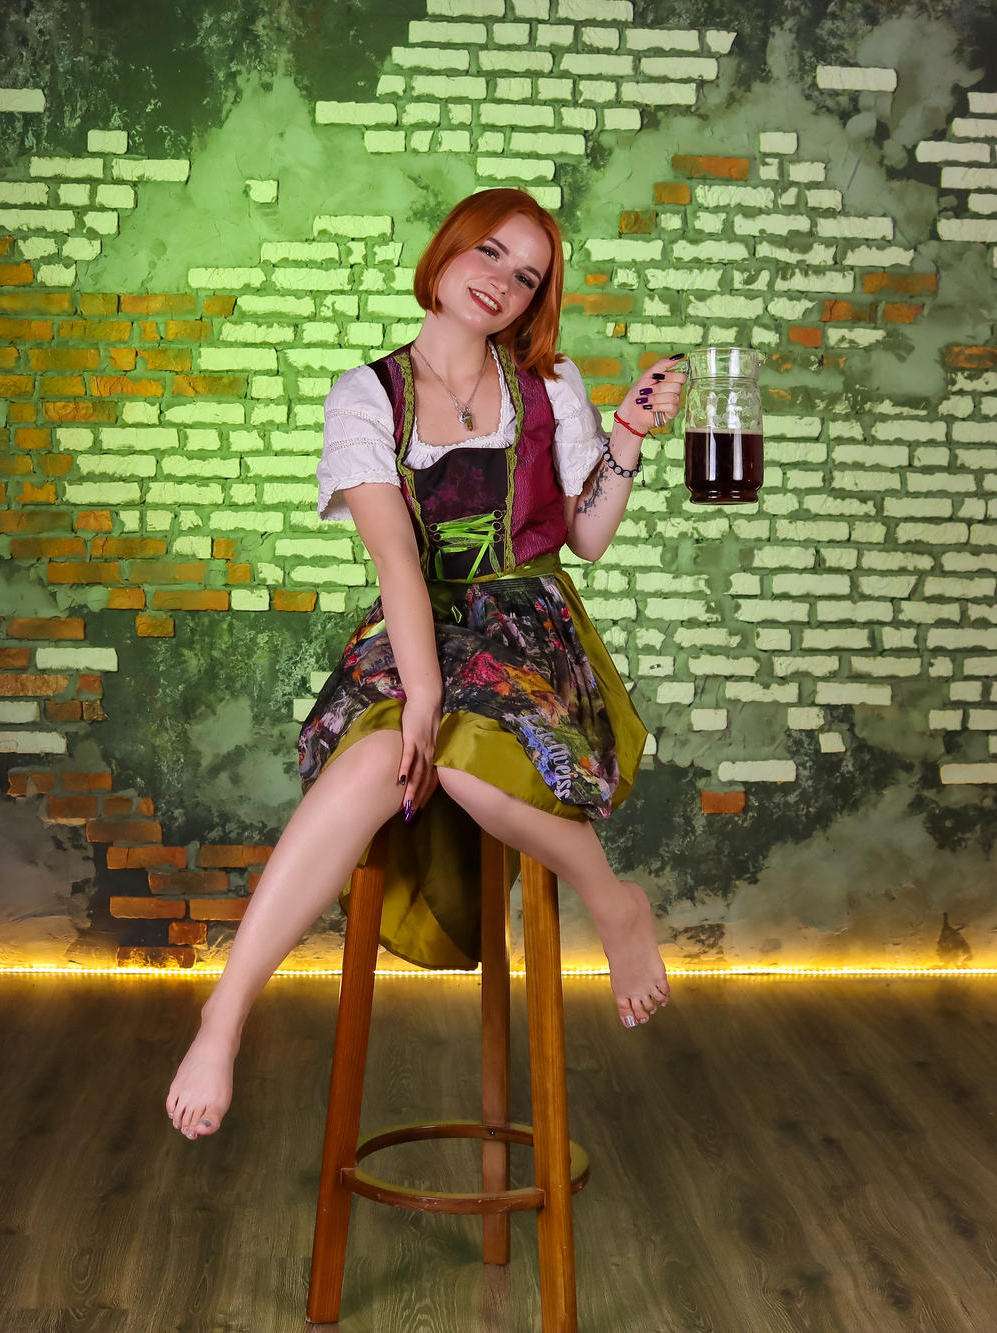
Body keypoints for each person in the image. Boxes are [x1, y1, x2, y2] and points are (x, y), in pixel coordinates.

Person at [165, 187, 685, 1141]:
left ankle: (615, 907)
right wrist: (422, 691)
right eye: (490, 253)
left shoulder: (550, 385)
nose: (502, 282)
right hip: (416, 630)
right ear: (447, 251)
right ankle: (224, 1015)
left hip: (528, 631)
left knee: (456, 753)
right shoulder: (368, 396)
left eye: (526, 277)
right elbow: (398, 562)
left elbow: (585, 540)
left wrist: (625, 436)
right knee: (381, 757)